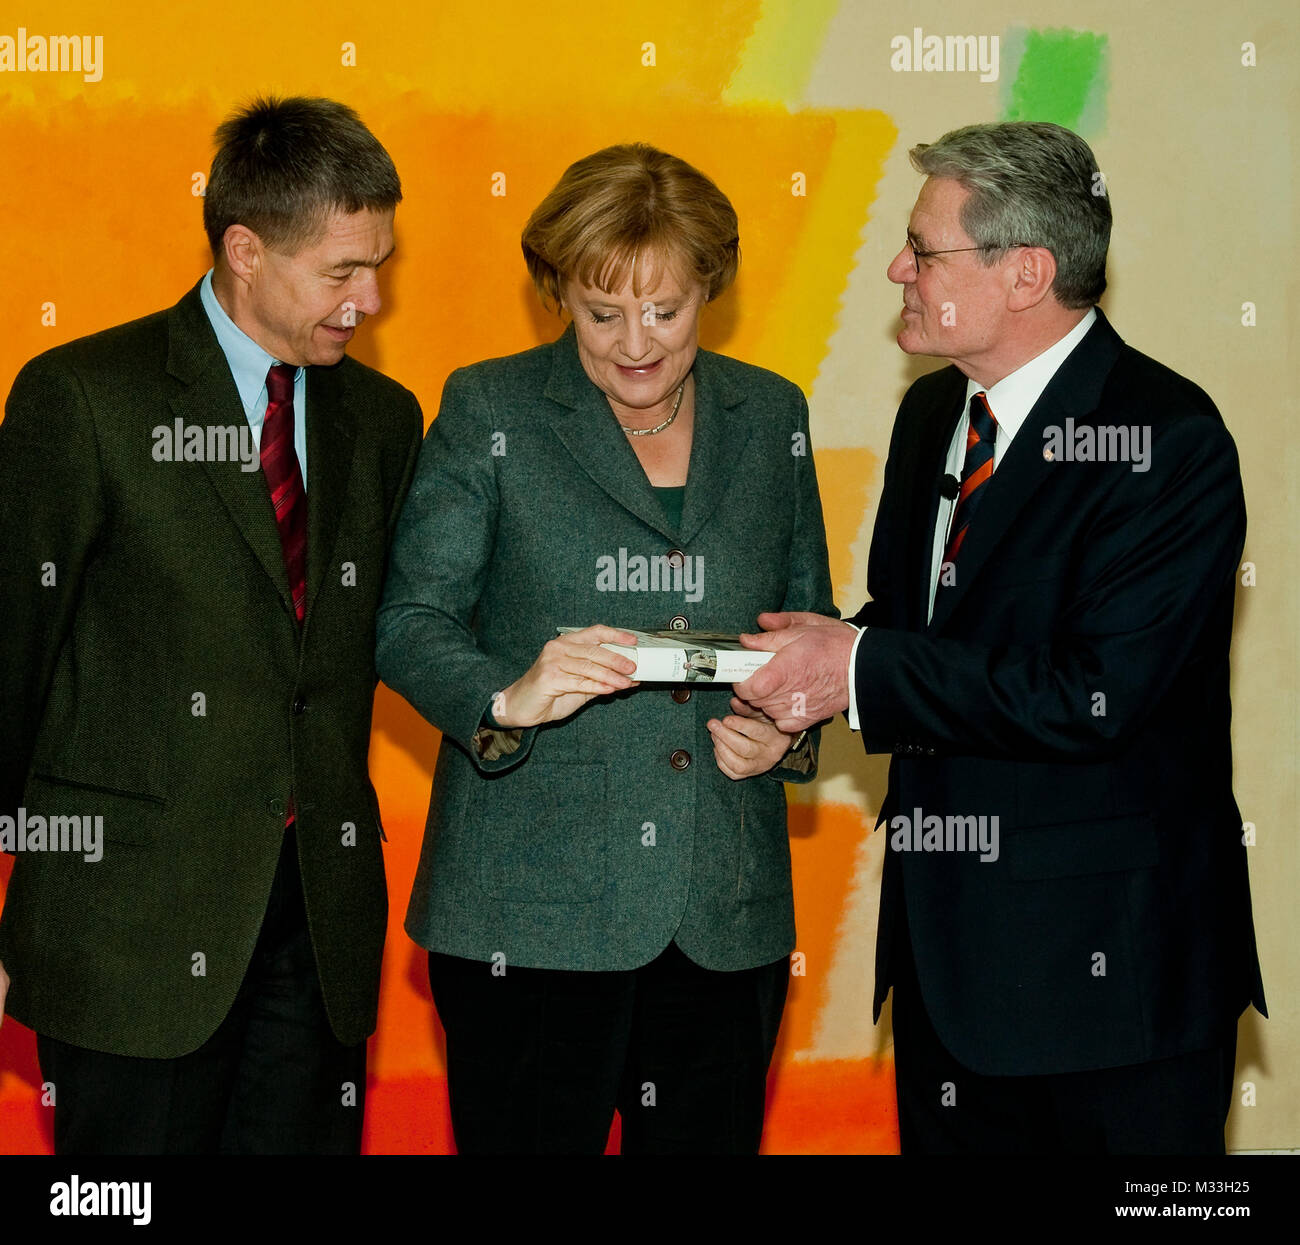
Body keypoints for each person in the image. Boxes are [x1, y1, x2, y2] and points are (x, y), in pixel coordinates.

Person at [735, 121, 1266, 1154]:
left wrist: (857, 668)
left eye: (923, 249)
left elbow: (1091, 694)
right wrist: (821, 661)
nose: (897, 267)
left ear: (1024, 273)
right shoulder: (934, 411)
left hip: (1109, 995)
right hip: (949, 977)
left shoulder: (1166, 439)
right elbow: (933, 628)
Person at [375, 143, 834, 1154]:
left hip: (725, 911)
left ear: (710, 286)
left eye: (664, 310)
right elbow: (410, 622)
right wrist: (507, 696)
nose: (635, 343)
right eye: (600, 312)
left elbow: (810, 634)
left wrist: (786, 733)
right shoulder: (490, 408)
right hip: (528, 913)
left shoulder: (771, 415)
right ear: (557, 295)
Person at [0, 96, 423, 1154]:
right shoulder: (83, 398)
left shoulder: (382, 420)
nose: (370, 298)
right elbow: (10, 663)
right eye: (342, 270)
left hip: (317, 940)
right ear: (244, 248)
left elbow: (404, 632)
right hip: (126, 937)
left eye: (380, 263)